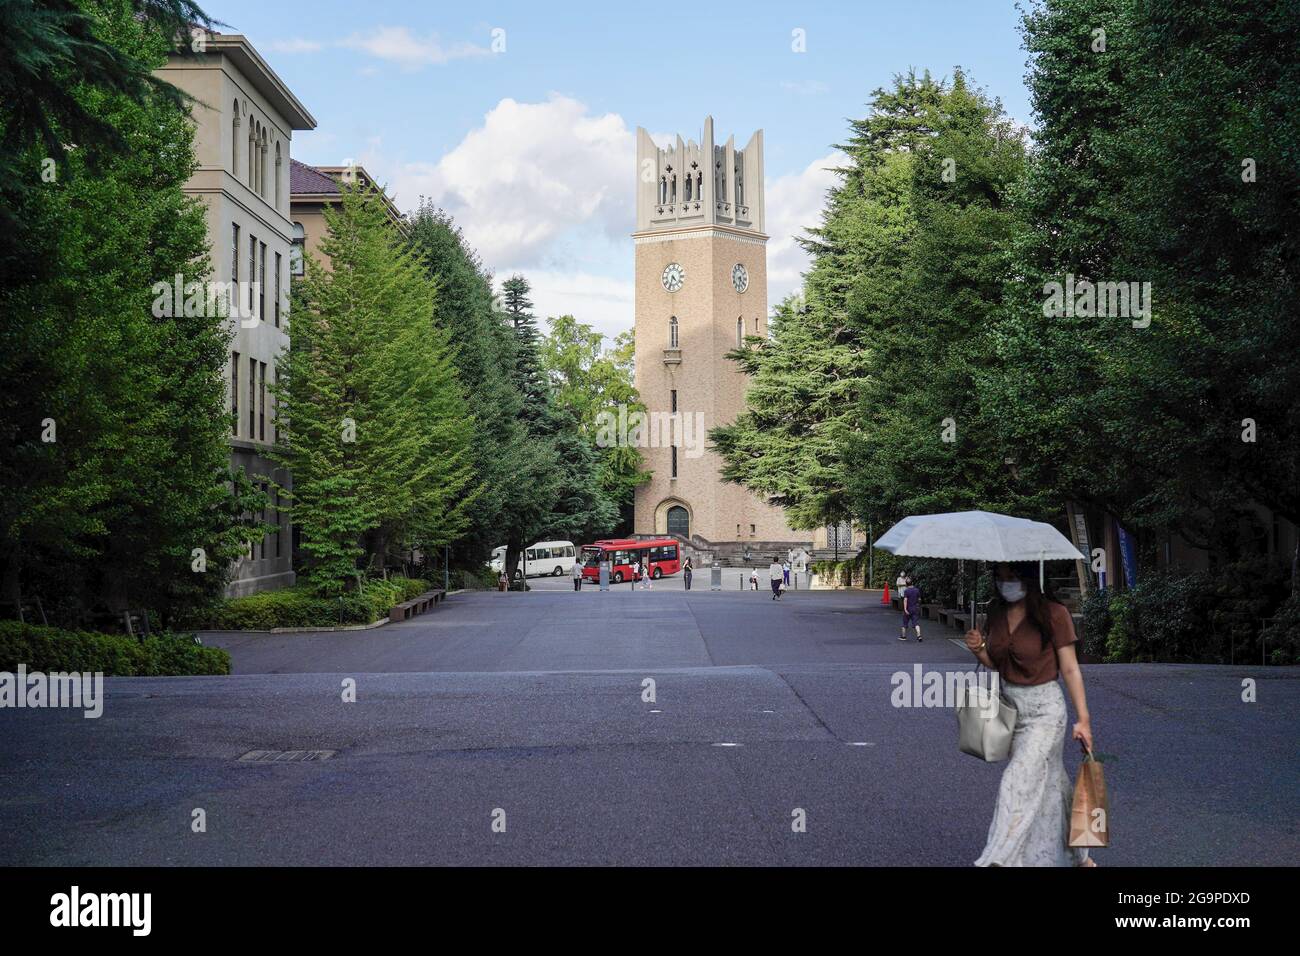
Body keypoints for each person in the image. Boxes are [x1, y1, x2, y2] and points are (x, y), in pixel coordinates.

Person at [964, 562, 1096, 868]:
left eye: (1012, 576)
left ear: (1028, 578)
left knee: (1018, 779)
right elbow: (998, 663)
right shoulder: (996, 614)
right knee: (1050, 786)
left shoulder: (1053, 614)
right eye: (999, 577)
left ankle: (999, 859)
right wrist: (978, 649)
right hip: (1012, 712)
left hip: (1046, 713)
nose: (1005, 583)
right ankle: (1079, 857)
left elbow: (1070, 668)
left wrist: (1084, 719)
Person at [899, 576, 921, 642]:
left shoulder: (906, 591)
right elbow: (919, 599)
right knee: (915, 623)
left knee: (904, 623)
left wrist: (905, 609)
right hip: (915, 608)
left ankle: (903, 636)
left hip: (908, 608)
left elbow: (905, 600)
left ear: (906, 584)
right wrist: (918, 605)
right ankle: (919, 635)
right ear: (912, 583)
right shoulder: (917, 590)